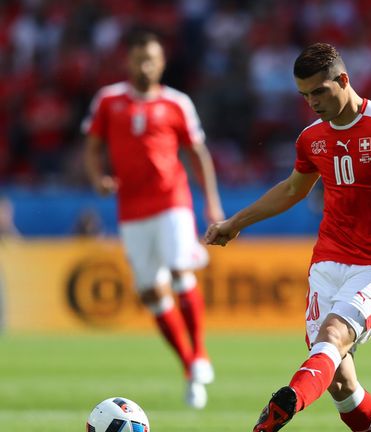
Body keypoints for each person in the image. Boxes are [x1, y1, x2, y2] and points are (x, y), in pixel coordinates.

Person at [204, 42, 371, 432]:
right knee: (341, 385)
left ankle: (279, 411)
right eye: (304, 95)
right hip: (326, 264)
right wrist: (237, 222)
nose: (312, 102)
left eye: (319, 92)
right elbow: (293, 189)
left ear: (343, 80)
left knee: (332, 334)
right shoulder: (311, 138)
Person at [82, 31, 224, 410]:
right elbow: (92, 147)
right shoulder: (109, 100)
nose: (145, 65)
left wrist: (211, 203)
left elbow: (198, 153)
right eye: (139, 59)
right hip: (131, 210)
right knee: (149, 292)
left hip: (172, 201)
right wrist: (98, 179)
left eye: (152, 59)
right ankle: (189, 364)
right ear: (128, 61)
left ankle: (200, 352)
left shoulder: (177, 103)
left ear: (162, 62)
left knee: (179, 271)